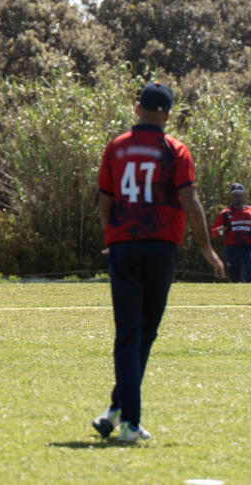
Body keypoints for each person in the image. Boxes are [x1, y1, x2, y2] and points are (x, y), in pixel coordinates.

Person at [92, 82, 225, 443]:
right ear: (167, 113)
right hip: (161, 247)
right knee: (144, 333)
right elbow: (190, 202)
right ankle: (130, 423)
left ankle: (118, 409)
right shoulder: (175, 150)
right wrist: (206, 248)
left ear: (138, 109)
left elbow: (104, 205)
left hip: (124, 247)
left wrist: (113, 239)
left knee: (130, 335)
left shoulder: (116, 147)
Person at [211, 183, 251, 283]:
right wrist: (219, 231)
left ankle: (250, 294)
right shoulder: (225, 213)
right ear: (231, 196)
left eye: (239, 195)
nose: (237, 197)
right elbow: (214, 232)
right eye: (235, 195)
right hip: (232, 249)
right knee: (234, 279)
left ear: (244, 196)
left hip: (248, 248)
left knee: (248, 273)